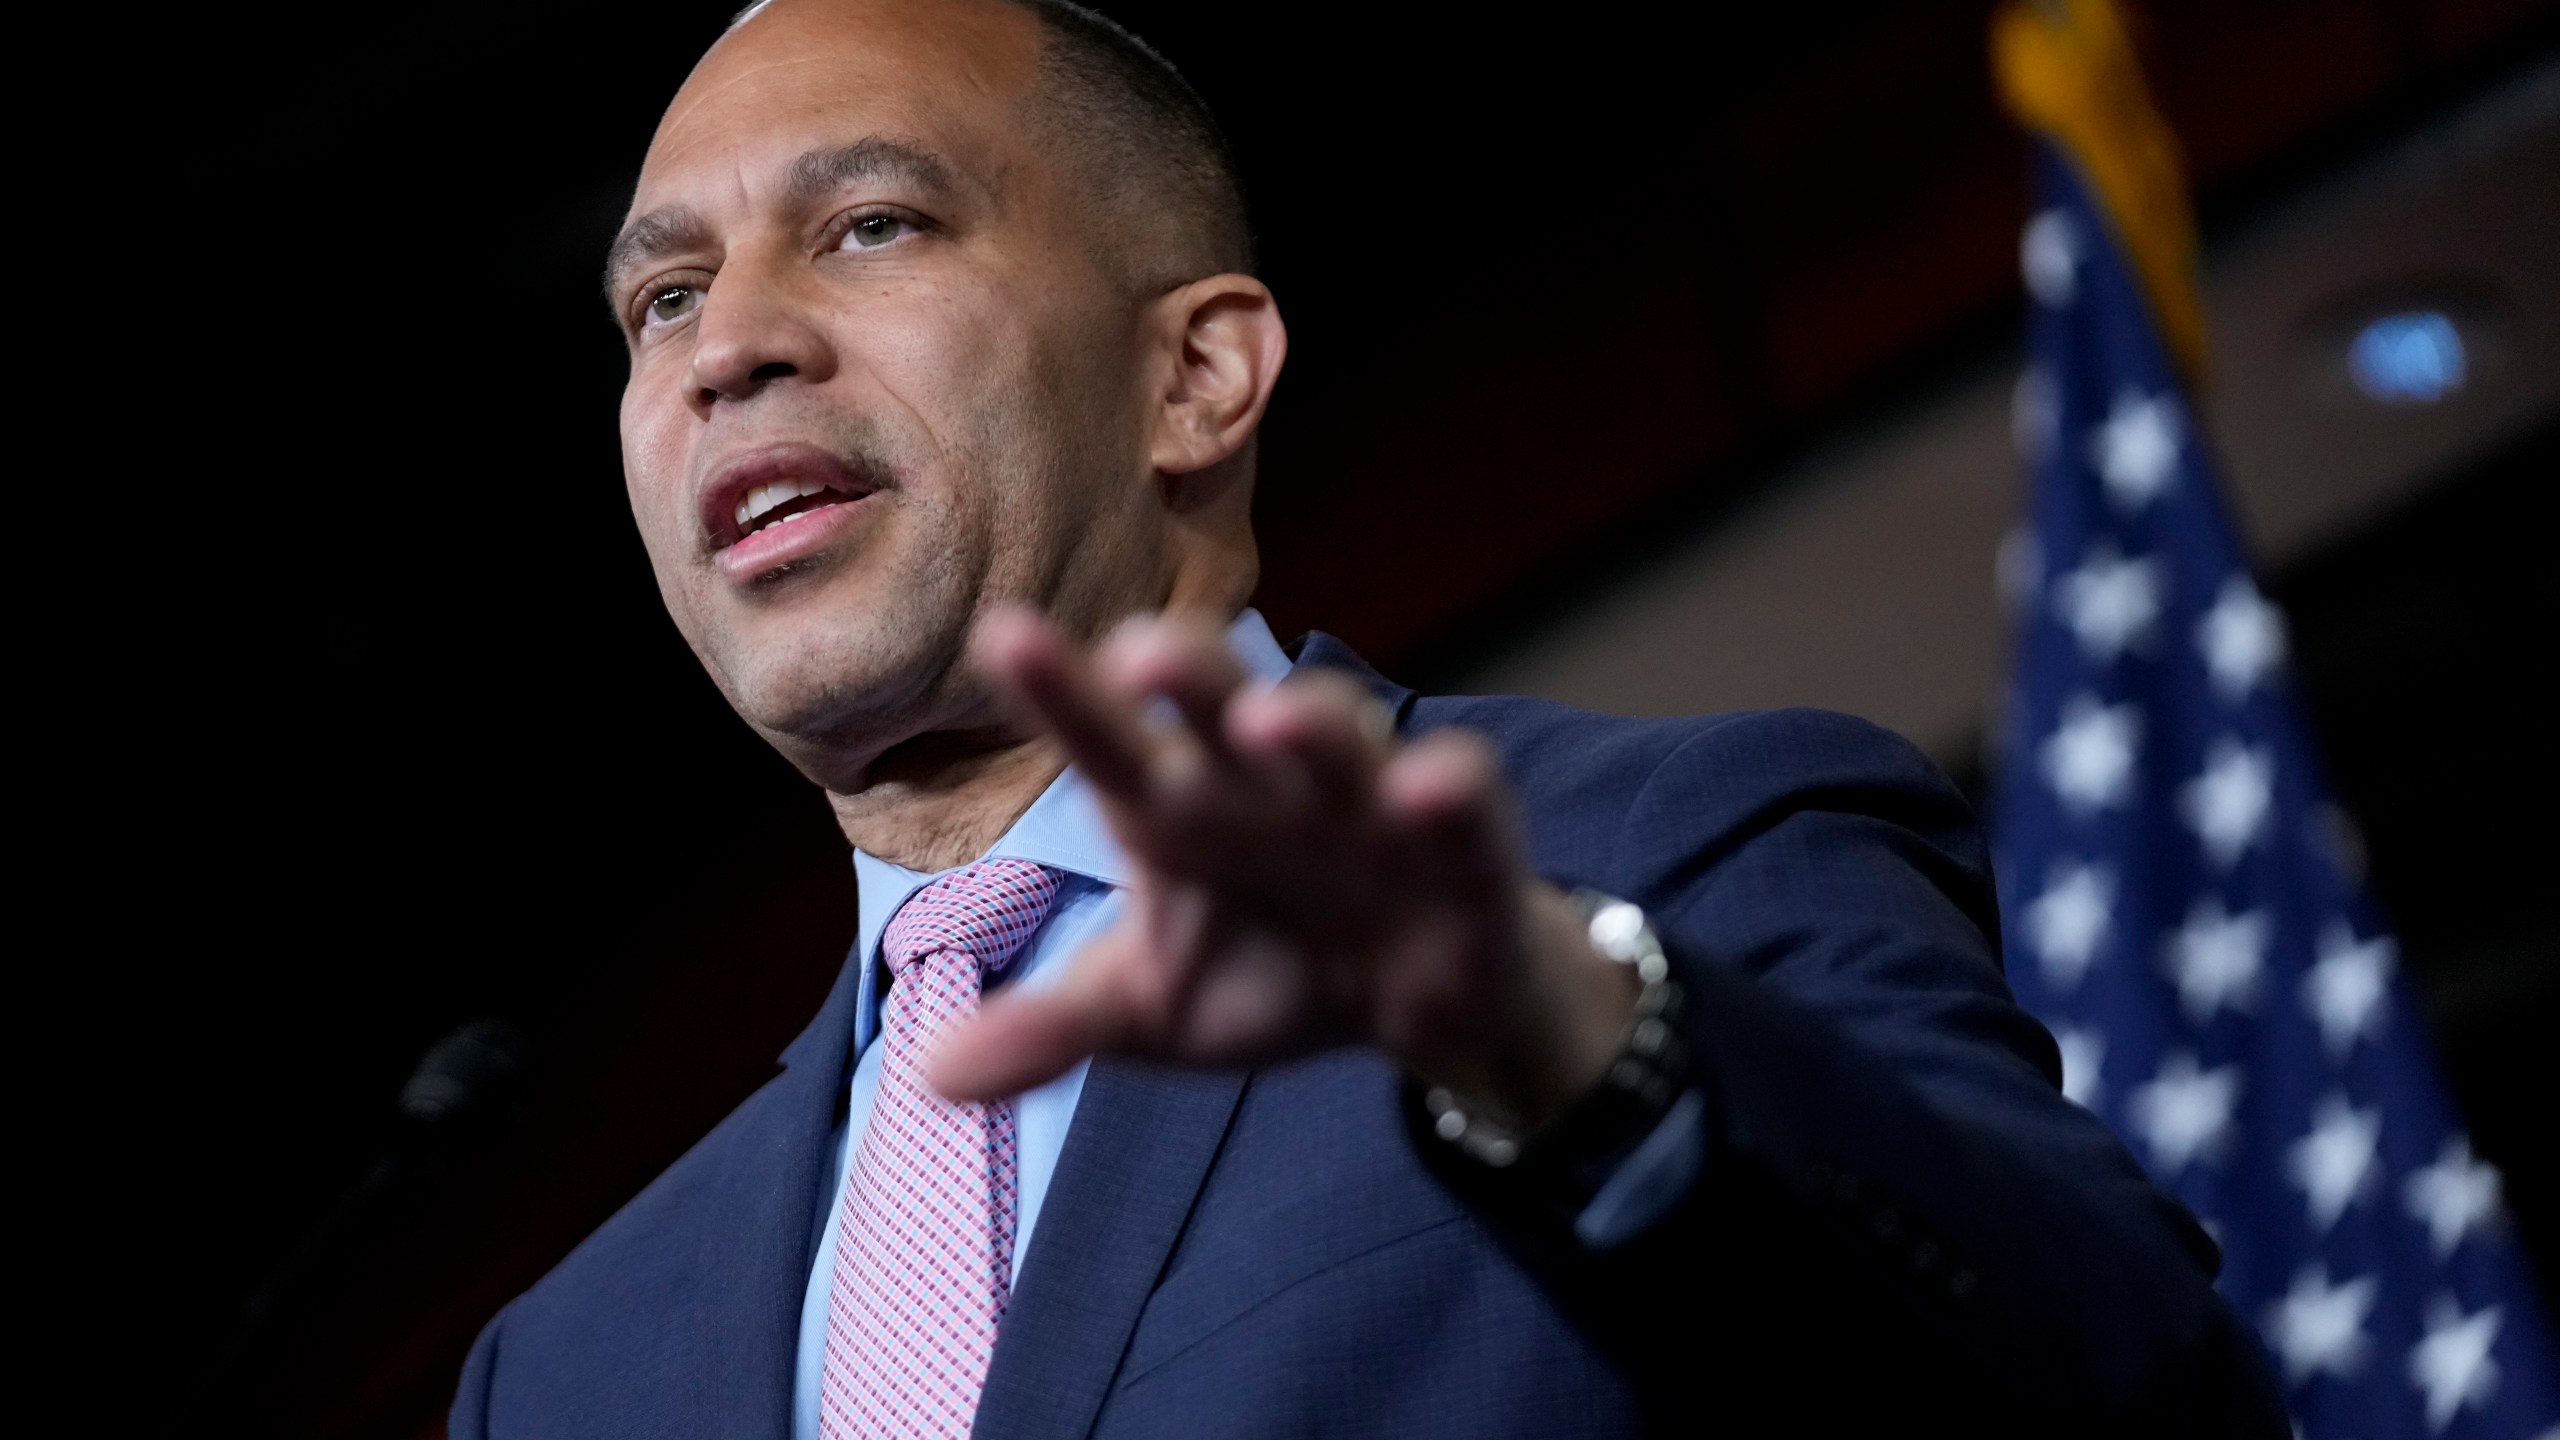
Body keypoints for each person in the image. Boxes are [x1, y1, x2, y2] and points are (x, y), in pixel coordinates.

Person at [452, 0, 2289, 1434]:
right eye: (663, 299)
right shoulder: (563, 1369)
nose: (726, 347)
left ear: (1196, 374)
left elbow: (2133, 1392)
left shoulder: (1657, 866)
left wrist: (1572, 1055)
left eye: (870, 226)